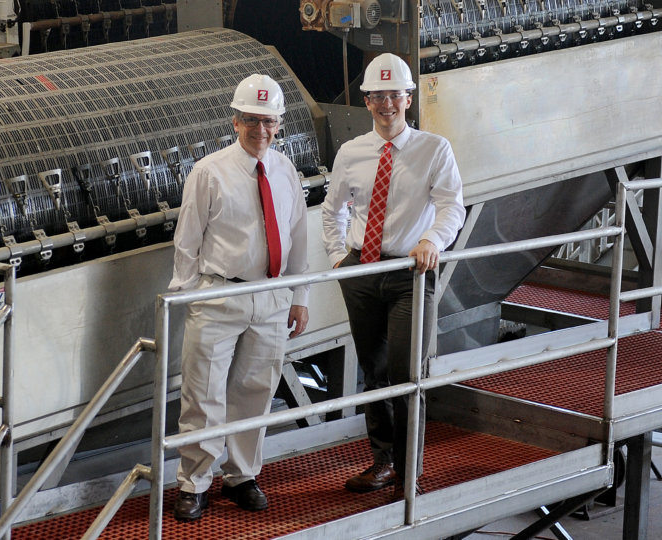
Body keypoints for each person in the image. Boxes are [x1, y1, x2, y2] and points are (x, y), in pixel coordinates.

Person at [321, 53, 465, 495]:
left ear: (409, 98)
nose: (387, 104)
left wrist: (432, 241)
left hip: (409, 275)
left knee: (407, 374)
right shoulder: (351, 152)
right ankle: (382, 461)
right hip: (363, 270)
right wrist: (337, 259)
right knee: (373, 372)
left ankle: (409, 471)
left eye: (395, 95)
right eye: (378, 96)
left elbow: (452, 207)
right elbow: (332, 212)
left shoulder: (433, 149)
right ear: (367, 102)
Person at [168, 73, 310, 522]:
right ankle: (194, 482)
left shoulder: (285, 170)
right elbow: (186, 242)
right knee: (204, 394)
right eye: (251, 120)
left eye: (269, 122)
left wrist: (298, 296)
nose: (261, 130)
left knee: (255, 391)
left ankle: (242, 475)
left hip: (270, 297)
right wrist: (189, 297)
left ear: (279, 124)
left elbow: (298, 239)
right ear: (235, 121)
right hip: (219, 295)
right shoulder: (209, 171)